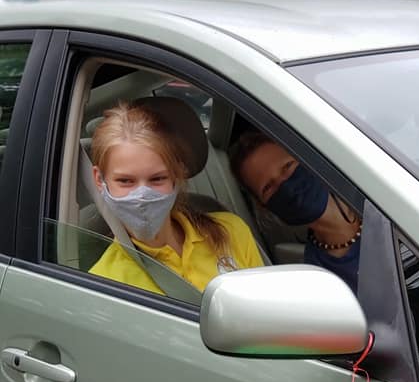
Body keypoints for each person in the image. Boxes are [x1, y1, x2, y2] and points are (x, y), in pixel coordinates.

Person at [89, 102, 264, 294]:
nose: (142, 196)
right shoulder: (102, 285)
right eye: (125, 181)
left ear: (177, 174)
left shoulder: (231, 231)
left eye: (157, 179)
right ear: (99, 180)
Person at [230, 131, 362, 293]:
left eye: (288, 166)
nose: (286, 185)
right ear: (263, 206)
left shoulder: (375, 197)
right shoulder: (319, 279)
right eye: (268, 187)